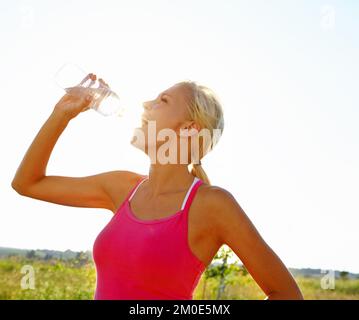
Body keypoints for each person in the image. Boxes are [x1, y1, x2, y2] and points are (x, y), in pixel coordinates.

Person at [11, 73, 303, 300]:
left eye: (162, 100)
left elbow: (286, 293)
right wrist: (62, 113)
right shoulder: (122, 186)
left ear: (189, 128)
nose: (145, 104)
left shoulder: (212, 205)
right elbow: (27, 183)